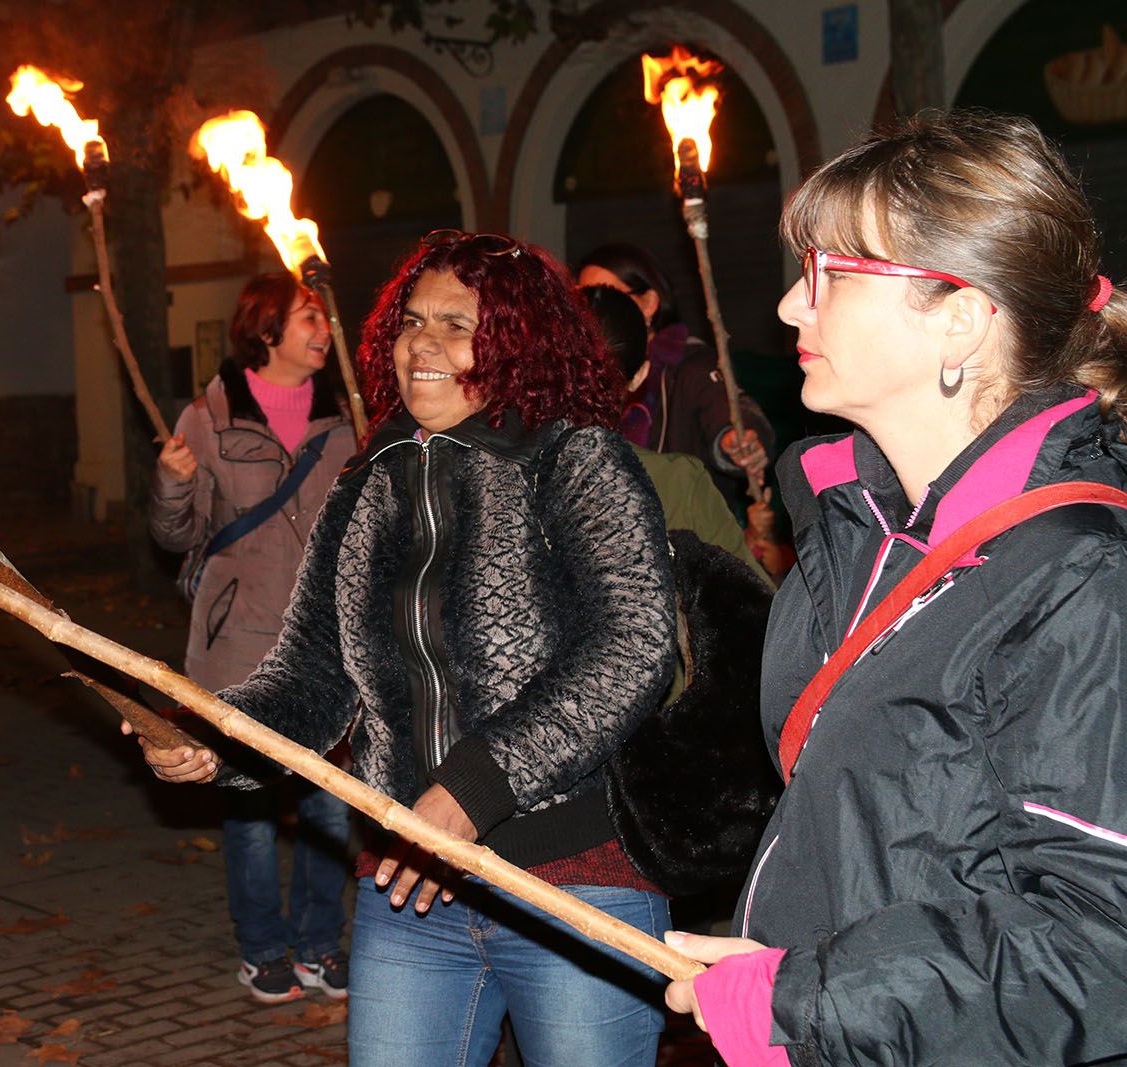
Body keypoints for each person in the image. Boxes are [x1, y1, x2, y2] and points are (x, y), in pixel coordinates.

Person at [138, 232, 678, 1066]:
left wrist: (470, 789)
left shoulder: (573, 460)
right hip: (411, 895)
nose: (422, 344)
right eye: (413, 322)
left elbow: (634, 646)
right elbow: (311, 677)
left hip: (571, 884)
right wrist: (217, 737)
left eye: (457, 325)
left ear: (517, 342)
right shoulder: (364, 486)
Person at [664, 111, 1127, 1065]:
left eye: (830, 275)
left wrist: (811, 999)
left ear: (960, 316)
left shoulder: (1081, 579)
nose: (791, 306)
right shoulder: (857, 533)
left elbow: (1102, 943)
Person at [149, 274, 358, 1004]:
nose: (324, 330)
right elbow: (175, 535)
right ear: (266, 330)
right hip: (237, 640)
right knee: (251, 807)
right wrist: (172, 482)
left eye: (323, 317)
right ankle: (263, 947)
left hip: (325, 641)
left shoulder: (347, 417)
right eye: (308, 317)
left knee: (331, 802)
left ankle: (320, 943)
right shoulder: (208, 417)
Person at [577, 243, 773, 505]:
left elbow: (729, 411)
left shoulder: (691, 365)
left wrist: (737, 441)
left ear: (649, 303)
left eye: (610, 296)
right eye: (585, 300)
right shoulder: (575, 374)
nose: (595, 312)